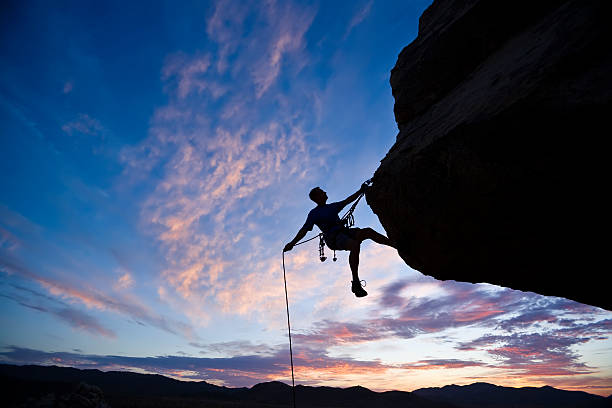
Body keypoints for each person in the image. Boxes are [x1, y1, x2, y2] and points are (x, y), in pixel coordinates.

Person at [283, 183, 395, 297]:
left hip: (343, 232)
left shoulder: (332, 207)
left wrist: (361, 190)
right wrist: (292, 243)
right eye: (322, 192)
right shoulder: (314, 214)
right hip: (333, 239)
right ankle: (356, 282)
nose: (325, 193)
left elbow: (347, 201)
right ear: (317, 197)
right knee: (354, 245)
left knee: (368, 232)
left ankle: (395, 244)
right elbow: (304, 230)